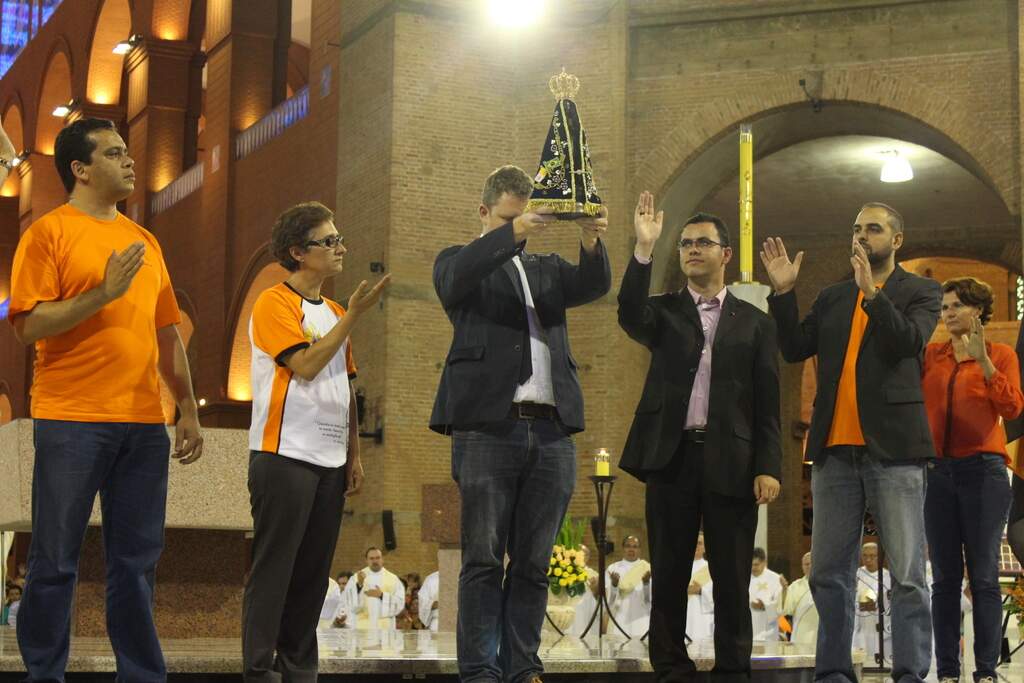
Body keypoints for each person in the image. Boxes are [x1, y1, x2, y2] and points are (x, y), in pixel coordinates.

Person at [8, 117, 204, 683]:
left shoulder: (145, 242)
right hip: (72, 419)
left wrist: (187, 407)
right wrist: (104, 293)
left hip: (142, 423)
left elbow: (167, 332)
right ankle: (44, 674)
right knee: (54, 560)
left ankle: (141, 675)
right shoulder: (48, 233)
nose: (130, 160)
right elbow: (28, 325)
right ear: (81, 168)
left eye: (126, 151)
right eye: (114, 153)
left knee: (137, 563)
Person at [429, 164, 610, 683]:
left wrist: (590, 238)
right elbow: (455, 280)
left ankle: (523, 667)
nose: (522, 228)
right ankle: (481, 672)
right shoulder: (459, 262)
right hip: (489, 428)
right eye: (509, 218)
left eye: (525, 218)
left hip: (551, 430)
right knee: (483, 558)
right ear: (484, 212)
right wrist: (512, 234)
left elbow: (593, 284)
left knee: (533, 562)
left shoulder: (546, 268)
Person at [762, 202, 941, 683]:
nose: (862, 236)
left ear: (896, 240)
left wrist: (873, 295)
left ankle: (910, 674)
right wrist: (784, 293)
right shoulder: (833, 296)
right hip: (835, 452)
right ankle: (834, 673)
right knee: (828, 574)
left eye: (874, 229)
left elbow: (908, 343)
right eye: (857, 229)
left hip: (896, 451)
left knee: (907, 575)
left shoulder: (921, 291)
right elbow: (794, 348)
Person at [619, 193, 782, 683]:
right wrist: (644, 249)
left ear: (725, 253)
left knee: (731, 575)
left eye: (702, 242)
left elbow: (767, 401)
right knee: (669, 571)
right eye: (686, 243)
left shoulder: (755, 322)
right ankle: (671, 668)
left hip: (732, 459)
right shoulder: (663, 312)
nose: (692, 249)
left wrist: (768, 465)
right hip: (671, 457)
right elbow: (628, 313)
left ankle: (733, 671)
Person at [241, 201, 388, 682]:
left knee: (312, 573)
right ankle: (259, 669)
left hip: (329, 458)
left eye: (339, 238)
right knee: (275, 568)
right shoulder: (274, 303)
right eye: (329, 241)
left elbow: (346, 388)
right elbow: (304, 365)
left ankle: (299, 669)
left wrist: (354, 455)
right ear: (298, 252)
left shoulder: (336, 311)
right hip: (284, 454)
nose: (340, 247)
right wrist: (354, 318)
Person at [921, 276, 1023, 683]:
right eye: (944, 307)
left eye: (956, 306)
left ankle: (985, 671)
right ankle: (947, 671)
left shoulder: (1000, 354)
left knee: (983, 576)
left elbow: (1012, 407)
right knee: (944, 578)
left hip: (984, 472)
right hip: (937, 474)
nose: (948, 314)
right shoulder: (931, 355)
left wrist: (984, 362)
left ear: (978, 310)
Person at [341, 547, 406, 630]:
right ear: (366, 560)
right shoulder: (356, 578)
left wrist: (382, 595)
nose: (375, 561)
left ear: (382, 559)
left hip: (384, 630)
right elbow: (348, 603)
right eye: (371, 558)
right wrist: (359, 585)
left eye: (377, 558)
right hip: (362, 629)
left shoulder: (393, 579)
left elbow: (399, 604)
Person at [607, 536, 653, 638]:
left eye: (635, 546)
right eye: (628, 546)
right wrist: (614, 585)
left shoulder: (647, 569)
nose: (631, 549)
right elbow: (609, 602)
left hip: (641, 619)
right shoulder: (613, 568)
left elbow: (649, 601)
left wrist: (646, 584)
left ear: (640, 549)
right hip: (620, 617)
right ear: (623, 548)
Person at [855, 542, 892, 665]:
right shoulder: (856, 575)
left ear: (879, 557)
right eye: (865, 556)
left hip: (880, 627)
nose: (868, 559)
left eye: (872, 556)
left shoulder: (887, 577)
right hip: (861, 626)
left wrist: (877, 605)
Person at [780, 552, 817, 646]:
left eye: (812, 563)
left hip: (822, 634)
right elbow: (786, 610)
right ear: (802, 567)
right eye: (806, 564)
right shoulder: (796, 586)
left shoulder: (827, 586)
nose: (809, 566)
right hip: (801, 636)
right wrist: (784, 590)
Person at [749, 548, 783, 642]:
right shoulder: (744, 578)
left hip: (768, 631)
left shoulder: (775, 579)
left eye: (756, 564)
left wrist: (765, 606)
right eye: (751, 565)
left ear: (764, 562)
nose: (753, 568)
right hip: (748, 629)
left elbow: (780, 604)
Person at [685, 533, 713, 643]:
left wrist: (701, 591)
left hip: (701, 617)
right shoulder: (680, 566)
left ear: (705, 548)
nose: (696, 546)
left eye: (699, 543)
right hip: (684, 613)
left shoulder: (711, 568)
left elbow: (718, 594)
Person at [568, 545, 601, 638]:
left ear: (588, 557)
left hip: (585, 612)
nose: (581, 556)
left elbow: (600, 599)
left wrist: (595, 589)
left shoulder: (594, 575)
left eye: (584, 554)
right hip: (569, 610)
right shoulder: (565, 571)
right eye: (578, 552)